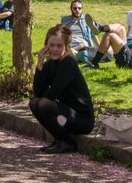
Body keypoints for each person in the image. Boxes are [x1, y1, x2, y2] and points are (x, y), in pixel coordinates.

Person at [29, 24, 95, 153]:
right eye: (51, 45)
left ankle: (67, 143)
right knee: (34, 103)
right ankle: (60, 139)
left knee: (44, 104)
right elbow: (38, 92)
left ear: (66, 47)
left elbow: (52, 94)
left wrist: (44, 97)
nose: (54, 49)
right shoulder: (49, 64)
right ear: (46, 45)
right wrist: (40, 63)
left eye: (59, 46)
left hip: (81, 120)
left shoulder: (68, 63)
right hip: (64, 117)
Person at [60, 0, 101, 64]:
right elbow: (59, 34)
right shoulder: (65, 20)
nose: (77, 10)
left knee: (84, 44)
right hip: (69, 45)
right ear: (71, 9)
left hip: (83, 45)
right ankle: (76, 55)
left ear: (82, 9)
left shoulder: (87, 20)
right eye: (75, 8)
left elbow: (93, 35)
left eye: (79, 8)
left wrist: (101, 48)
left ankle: (70, 55)